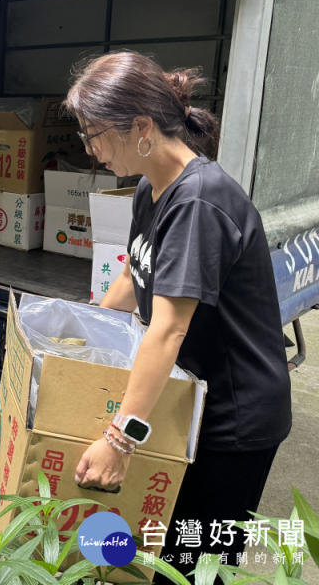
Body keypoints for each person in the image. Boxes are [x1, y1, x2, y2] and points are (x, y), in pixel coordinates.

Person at [66, 51, 292, 581]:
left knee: (197, 567)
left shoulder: (199, 202)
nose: (91, 151)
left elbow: (168, 328)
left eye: (95, 135)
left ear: (142, 126)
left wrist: (121, 439)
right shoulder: (153, 184)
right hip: (193, 399)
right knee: (167, 555)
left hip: (236, 419)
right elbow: (130, 276)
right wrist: (74, 343)